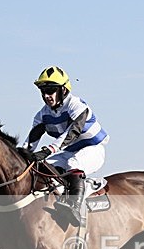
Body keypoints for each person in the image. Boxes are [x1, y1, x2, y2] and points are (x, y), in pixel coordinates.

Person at [21, 66, 109, 226]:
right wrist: (22, 159)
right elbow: (30, 141)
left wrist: (49, 150)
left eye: (51, 90)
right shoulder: (42, 114)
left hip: (93, 149)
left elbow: (72, 133)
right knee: (43, 168)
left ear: (63, 90)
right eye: (43, 91)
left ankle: (74, 206)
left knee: (73, 164)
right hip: (70, 152)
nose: (47, 96)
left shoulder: (76, 105)